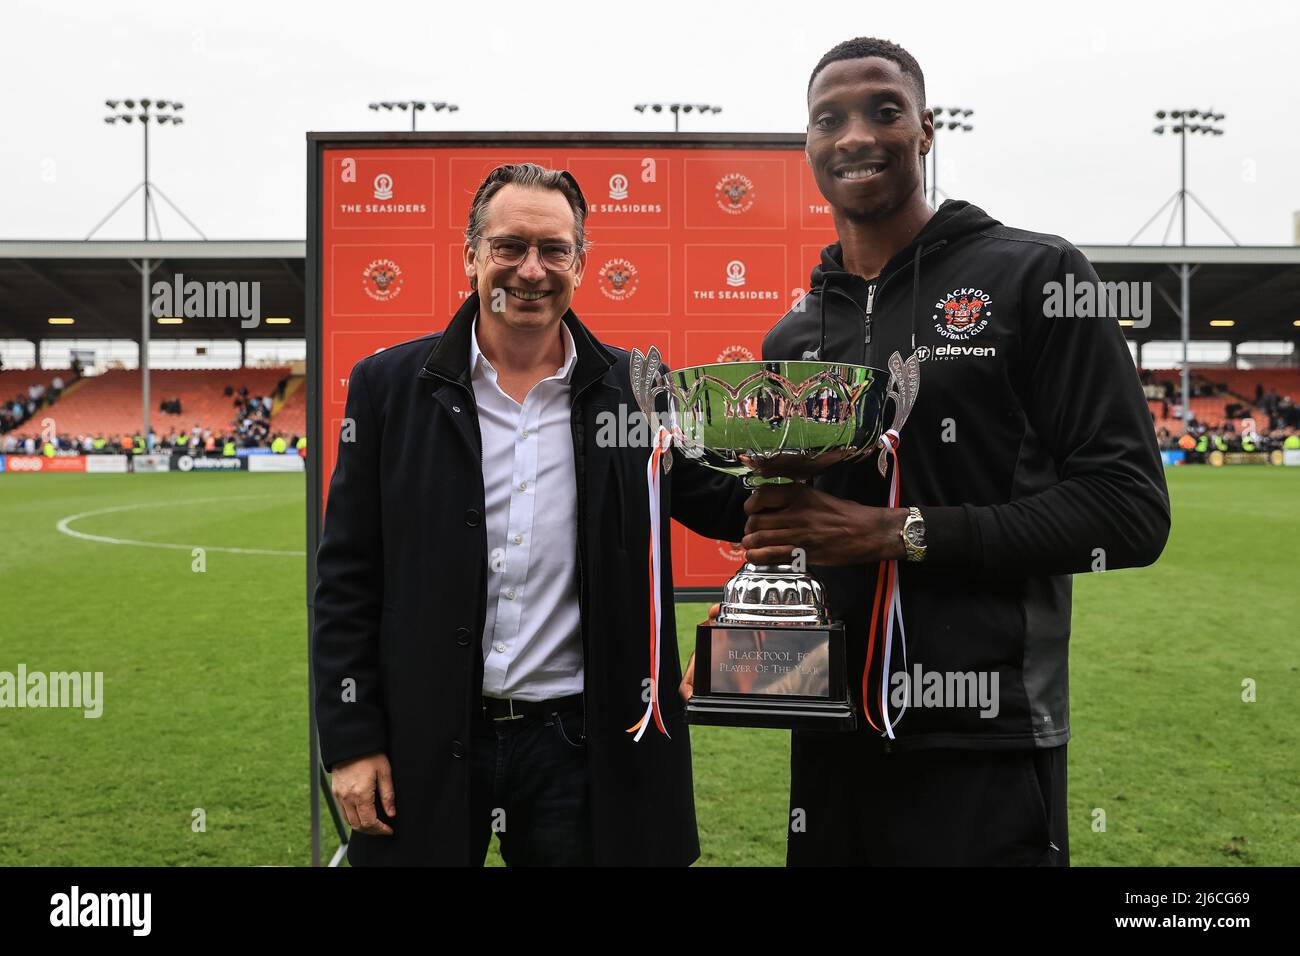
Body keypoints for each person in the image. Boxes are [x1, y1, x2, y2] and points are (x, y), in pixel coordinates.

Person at [715, 37, 1170, 866]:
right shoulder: (796, 332)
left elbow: (1129, 511)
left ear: (926, 130)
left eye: (883, 111)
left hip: (984, 743)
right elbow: (794, 522)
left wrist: (895, 532)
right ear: (807, 147)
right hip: (830, 736)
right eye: (829, 119)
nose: (856, 135)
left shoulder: (1036, 276)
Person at [313, 163, 747, 866]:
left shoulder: (638, 391)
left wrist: (814, 483)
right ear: (472, 256)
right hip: (428, 736)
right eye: (509, 246)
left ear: (582, 261)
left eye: (554, 250)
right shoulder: (390, 387)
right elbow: (347, 580)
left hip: (578, 746)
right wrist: (352, 740)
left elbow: (721, 502)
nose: (531, 270)